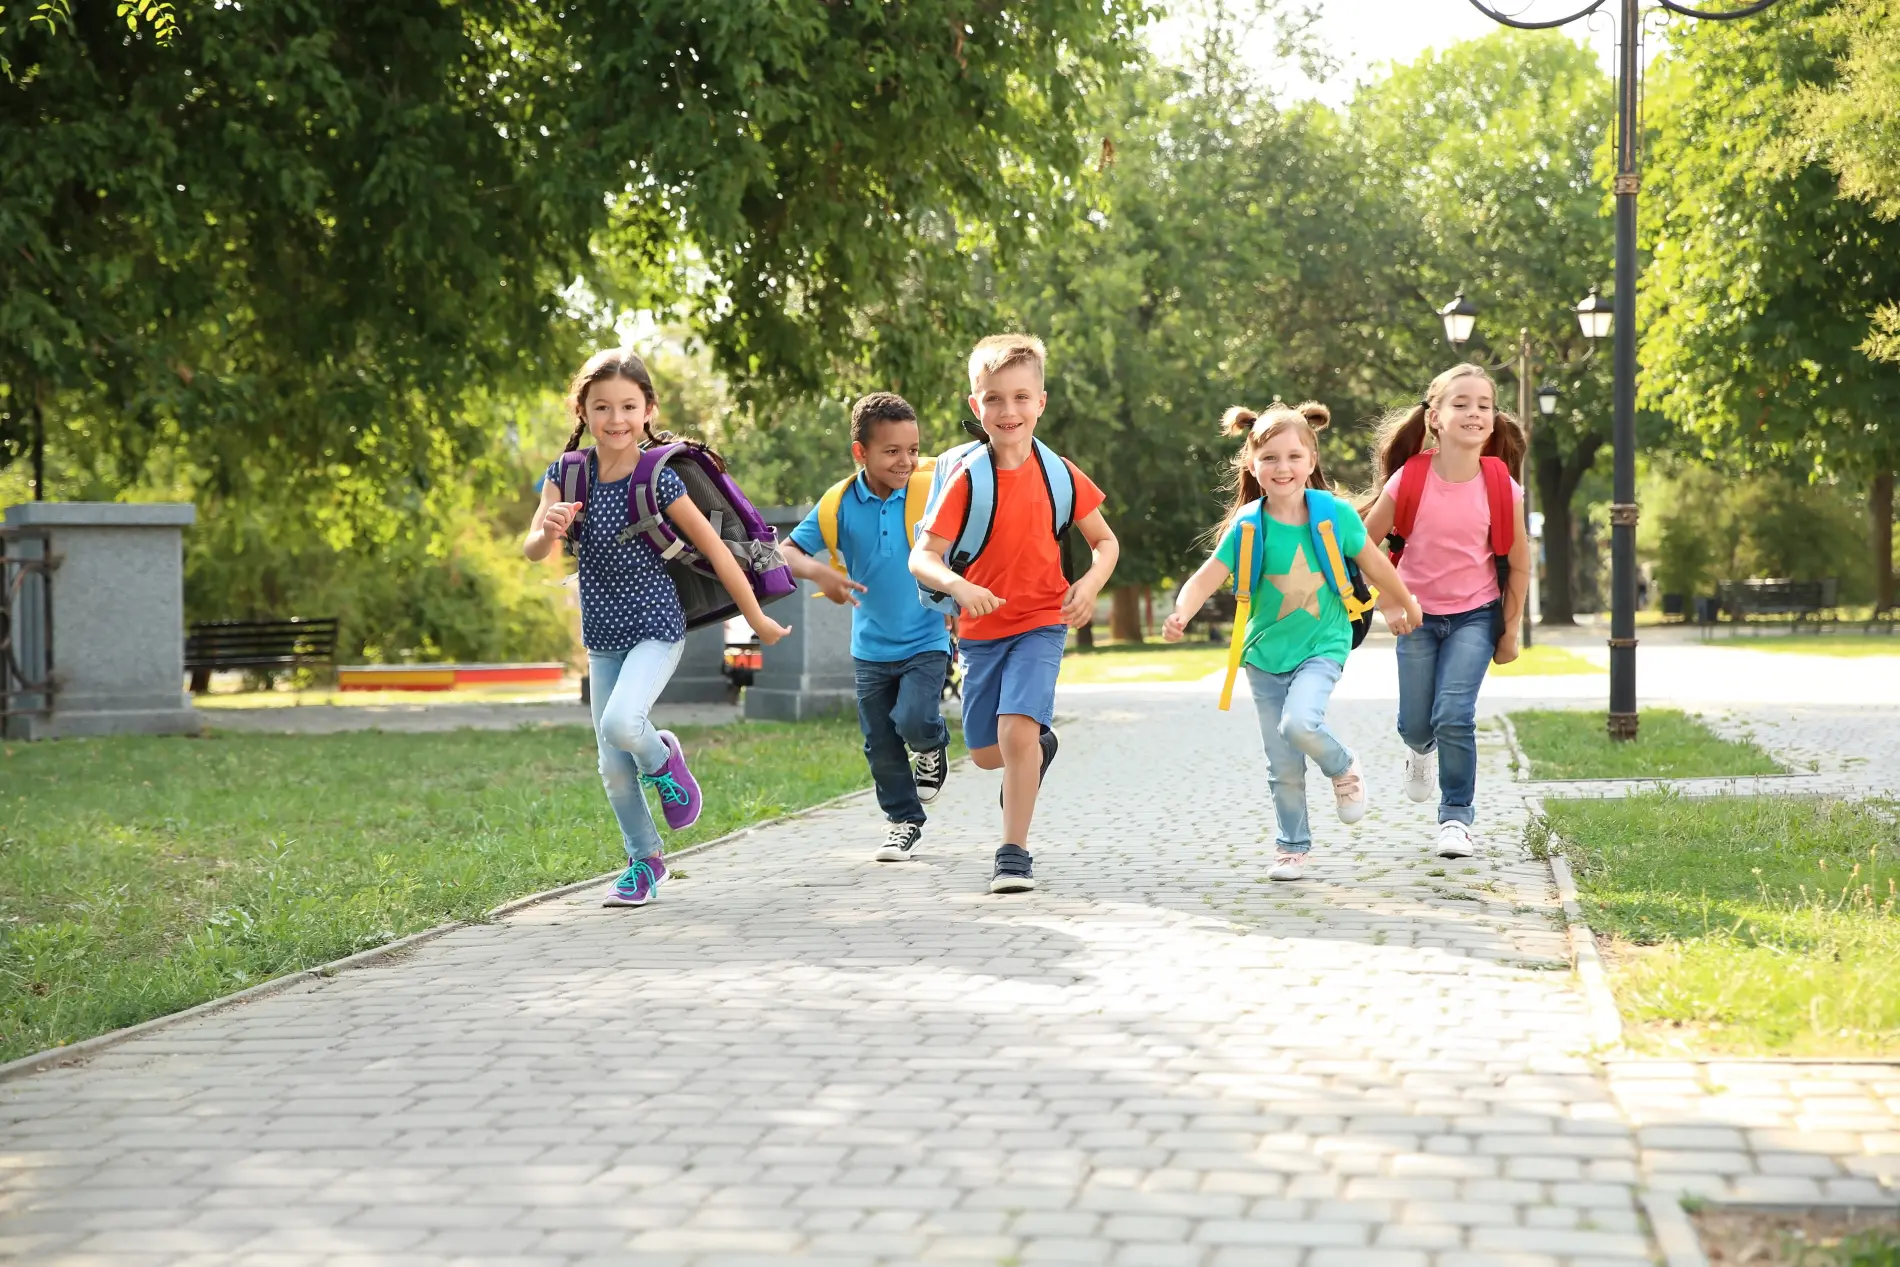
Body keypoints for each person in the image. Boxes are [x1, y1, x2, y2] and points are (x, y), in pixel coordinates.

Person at [523, 348, 791, 907]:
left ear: (648, 409)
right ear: (582, 410)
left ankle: (665, 758)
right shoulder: (565, 476)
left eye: (627, 406)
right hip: (602, 635)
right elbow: (531, 550)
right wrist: (547, 530)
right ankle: (644, 862)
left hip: (655, 626)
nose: (615, 419)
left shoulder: (660, 480)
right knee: (611, 764)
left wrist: (758, 617)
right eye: (602, 407)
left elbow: (718, 553)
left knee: (624, 722)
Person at [1164, 400, 1421, 881]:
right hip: (1263, 656)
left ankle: (1343, 765)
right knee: (1281, 765)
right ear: (1251, 463)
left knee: (1299, 724)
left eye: (1293, 456)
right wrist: (1180, 613)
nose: (1282, 467)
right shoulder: (1247, 525)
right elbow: (1203, 580)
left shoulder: (1334, 516)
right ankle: (1291, 847)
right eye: (1270, 458)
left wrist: (1405, 599)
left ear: (1312, 460)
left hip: (1323, 644)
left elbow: (1375, 563)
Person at [910, 334, 1119, 894]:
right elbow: (923, 557)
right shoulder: (967, 477)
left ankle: (1013, 853)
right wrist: (959, 587)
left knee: (1015, 728)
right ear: (975, 405)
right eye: (995, 399)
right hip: (980, 632)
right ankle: (1036, 749)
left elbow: (1105, 543)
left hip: (1042, 621)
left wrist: (1091, 583)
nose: (1009, 411)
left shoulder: (1061, 474)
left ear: (1041, 402)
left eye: (1021, 397)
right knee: (984, 755)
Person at [1361, 363, 1531, 860]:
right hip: (1415, 614)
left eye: (1484, 405)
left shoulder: (1504, 487)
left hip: (1475, 616)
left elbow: (1519, 566)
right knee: (1417, 725)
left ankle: (1456, 817)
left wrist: (1510, 632)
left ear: (1494, 420)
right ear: (1435, 417)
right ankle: (1420, 752)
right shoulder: (1408, 479)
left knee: (1454, 715)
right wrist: (1391, 600)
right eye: (1461, 404)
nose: (1474, 413)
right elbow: (1363, 546)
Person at [781, 392, 953, 863]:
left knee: (915, 719)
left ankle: (933, 745)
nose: (907, 461)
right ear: (861, 452)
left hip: (927, 637)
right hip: (871, 650)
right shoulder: (838, 503)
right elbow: (787, 551)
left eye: (914, 449)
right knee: (880, 744)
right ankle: (903, 822)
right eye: (892, 451)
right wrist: (821, 574)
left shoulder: (932, 489)